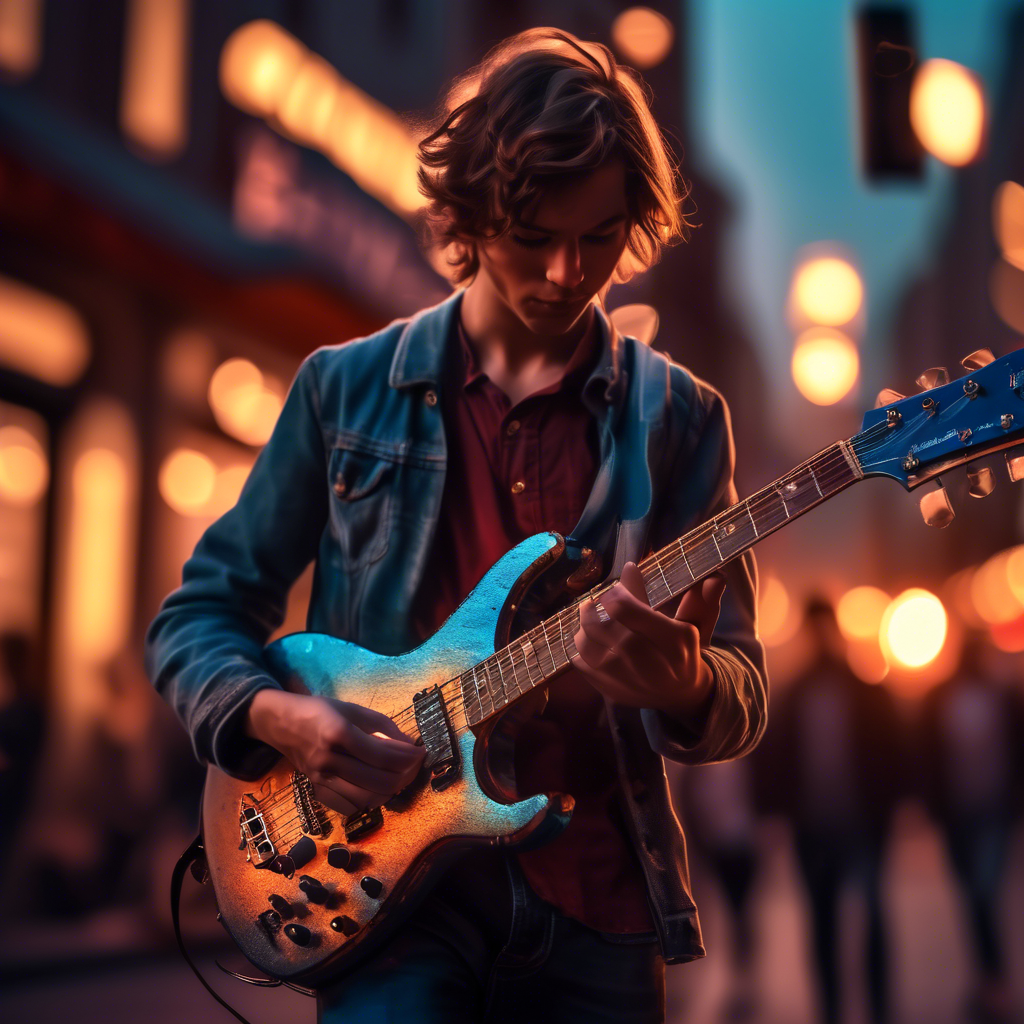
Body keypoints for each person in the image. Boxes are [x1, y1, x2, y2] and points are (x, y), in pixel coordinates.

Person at [146, 29, 767, 1024]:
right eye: (534, 236)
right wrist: (283, 721)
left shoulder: (682, 418)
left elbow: (741, 689)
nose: (569, 272)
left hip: (596, 908)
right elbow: (199, 615)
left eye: (600, 236)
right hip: (385, 906)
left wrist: (687, 681)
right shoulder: (341, 390)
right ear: (468, 216)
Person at [763, 598, 905, 1024]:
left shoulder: (861, 691)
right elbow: (778, 761)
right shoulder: (797, 694)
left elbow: (892, 754)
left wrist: (892, 805)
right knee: (825, 922)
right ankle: (833, 1009)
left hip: (861, 823)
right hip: (814, 827)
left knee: (870, 914)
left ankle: (878, 1007)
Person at [917, 636, 1024, 1024]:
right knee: (973, 896)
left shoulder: (1000, 698)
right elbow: (929, 753)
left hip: (991, 812)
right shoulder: (945, 698)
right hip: (959, 815)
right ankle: (990, 979)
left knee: (982, 893)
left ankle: (993, 981)